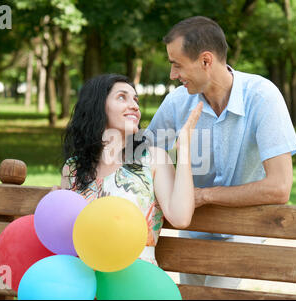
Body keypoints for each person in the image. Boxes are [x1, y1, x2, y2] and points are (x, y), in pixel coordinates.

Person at [145, 16, 296, 288]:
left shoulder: (262, 97)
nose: (172, 75)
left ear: (206, 61)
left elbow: (279, 187)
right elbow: (140, 158)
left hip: (244, 227)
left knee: (218, 290)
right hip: (193, 228)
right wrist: (80, 182)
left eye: (177, 65)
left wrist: (205, 196)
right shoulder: (177, 102)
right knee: (190, 297)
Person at [57, 73, 203, 266]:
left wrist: (183, 149)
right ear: (97, 106)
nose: (135, 106)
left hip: (135, 280)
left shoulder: (153, 159)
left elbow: (181, 218)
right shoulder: (73, 168)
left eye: (136, 100)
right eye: (121, 97)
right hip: (84, 277)